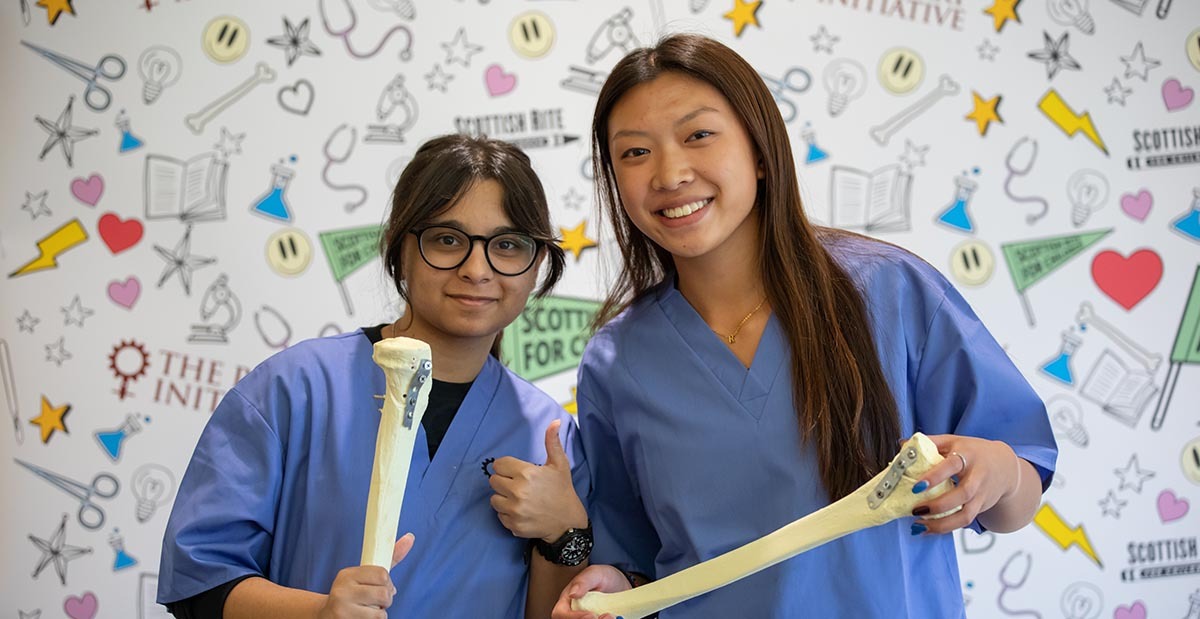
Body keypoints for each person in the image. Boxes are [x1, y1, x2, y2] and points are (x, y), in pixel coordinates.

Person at [553, 34, 1058, 618]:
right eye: (634, 153)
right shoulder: (618, 363)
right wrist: (613, 586)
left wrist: (997, 472)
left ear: (761, 152)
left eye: (698, 135)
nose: (669, 173)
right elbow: (633, 554)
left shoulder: (889, 292)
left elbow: (1018, 498)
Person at [158, 134, 592, 619]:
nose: (477, 269)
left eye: (509, 245)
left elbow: (557, 612)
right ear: (398, 246)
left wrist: (567, 532)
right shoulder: (294, 390)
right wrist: (318, 612)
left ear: (537, 265)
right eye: (447, 240)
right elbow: (200, 584)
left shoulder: (549, 438)